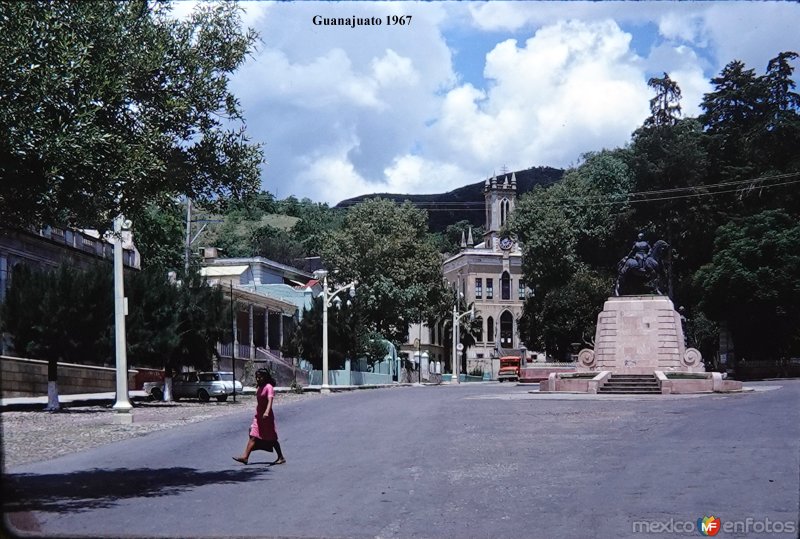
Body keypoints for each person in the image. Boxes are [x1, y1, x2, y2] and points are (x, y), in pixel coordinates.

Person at [233, 369, 286, 465]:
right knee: (253, 435)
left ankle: (281, 457)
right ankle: (245, 457)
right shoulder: (260, 387)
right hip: (258, 416)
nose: (258, 379)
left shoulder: (268, 387)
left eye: (260, 377)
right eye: (256, 377)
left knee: (272, 438)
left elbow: (270, 401)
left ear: (265, 377)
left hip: (267, 417)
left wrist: (266, 412)